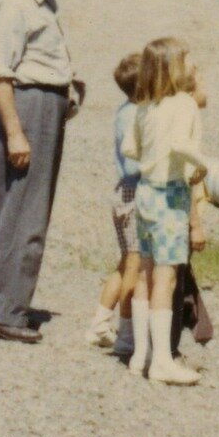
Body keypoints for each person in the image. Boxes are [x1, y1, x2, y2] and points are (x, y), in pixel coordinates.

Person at [0, 0, 86, 344]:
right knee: (22, 210)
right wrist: (16, 132)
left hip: (43, 106)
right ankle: (3, 310)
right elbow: (0, 73)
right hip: (27, 108)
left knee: (25, 208)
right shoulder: (14, 4)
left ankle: (5, 302)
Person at [120, 36, 212, 386]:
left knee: (144, 272)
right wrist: (200, 167)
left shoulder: (144, 105)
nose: (193, 66)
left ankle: (139, 354)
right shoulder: (185, 104)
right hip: (171, 195)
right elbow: (182, 146)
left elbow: (130, 147)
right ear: (175, 67)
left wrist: (150, 158)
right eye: (188, 60)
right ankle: (162, 360)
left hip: (144, 192)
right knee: (167, 275)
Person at [87, 52, 144, 352]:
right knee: (135, 264)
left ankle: (100, 323)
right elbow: (134, 164)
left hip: (123, 193)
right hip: (133, 194)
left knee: (125, 263)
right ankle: (127, 332)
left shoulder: (126, 110)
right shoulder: (134, 116)